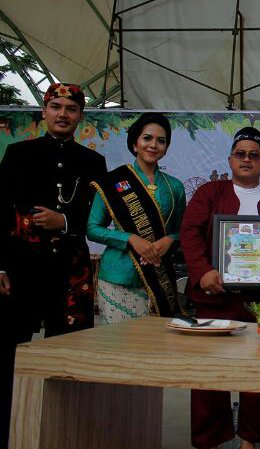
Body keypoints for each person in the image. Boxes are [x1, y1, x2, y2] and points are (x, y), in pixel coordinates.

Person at [0, 82, 107, 448]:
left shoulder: (93, 163)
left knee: (69, 351)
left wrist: (65, 221)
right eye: (56, 107)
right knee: (12, 349)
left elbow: (99, 217)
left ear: (81, 116)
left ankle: (65, 432)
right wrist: (0, 267)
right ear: (44, 112)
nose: (63, 114)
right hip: (20, 269)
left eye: (71, 108)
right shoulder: (18, 154)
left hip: (70, 272)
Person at [179, 126, 260, 449]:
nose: (247, 159)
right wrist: (203, 272)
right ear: (230, 160)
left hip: (259, 304)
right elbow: (190, 233)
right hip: (215, 299)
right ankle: (210, 440)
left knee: (259, 373)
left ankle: (249, 440)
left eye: (254, 155)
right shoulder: (210, 193)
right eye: (240, 154)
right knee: (209, 374)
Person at [88, 112, 186, 323]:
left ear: (166, 147)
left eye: (161, 141)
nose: (153, 145)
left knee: (155, 340)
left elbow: (182, 232)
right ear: (135, 144)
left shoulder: (174, 187)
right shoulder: (112, 182)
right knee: (119, 340)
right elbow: (92, 228)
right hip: (117, 277)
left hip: (159, 275)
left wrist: (170, 240)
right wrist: (130, 239)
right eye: (147, 138)